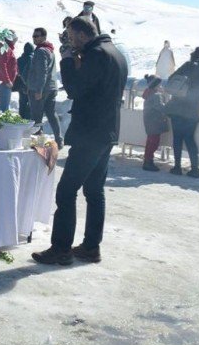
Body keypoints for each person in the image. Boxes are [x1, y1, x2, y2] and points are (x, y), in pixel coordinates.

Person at [33, 16, 128, 265]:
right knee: (94, 191)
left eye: (73, 38)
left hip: (91, 132)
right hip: (106, 132)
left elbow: (75, 89)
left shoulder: (97, 54)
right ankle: (90, 247)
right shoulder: (114, 52)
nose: (71, 43)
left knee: (66, 191)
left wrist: (65, 61)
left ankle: (61, 249)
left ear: (83, 35)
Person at [164, 47, 199, 178]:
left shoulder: (187, 65)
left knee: (177, 137)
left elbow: (172, 79)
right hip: (193, 109)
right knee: (190, 139)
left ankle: (177, 167)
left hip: (177, 107)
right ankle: (195, 169)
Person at [25, 27, 62, 146]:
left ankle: (37, 141)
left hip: (40, 89)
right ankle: (59, 139)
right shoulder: (50, 50)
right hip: (51, 87)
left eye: (37, 36)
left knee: (36, 116)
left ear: (44, 37)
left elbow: (42, 71)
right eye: (33, 36)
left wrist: (38, 89)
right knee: (51, 114)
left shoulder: (41, 51)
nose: (34, 38)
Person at [140, 75, 168, 171]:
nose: (161, 86)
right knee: (154, 142)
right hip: (155, 121)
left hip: (148, 120)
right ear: (156, 85)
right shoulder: (156, 95)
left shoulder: (148, 93)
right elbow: (161, 107)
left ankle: (147, 160)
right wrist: (169, 106)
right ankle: (148, 162)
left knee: (150, 141)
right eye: (160, 84)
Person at [0, 34, 18, 112]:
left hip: (5, 82)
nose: (16, 39)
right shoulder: (6, 48)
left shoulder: (7, 48)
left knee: (4, 108)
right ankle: (1, 124)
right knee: (4, 110)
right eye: (15, 37)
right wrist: (8, 80)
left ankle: (1, 123)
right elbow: (1, 64)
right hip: (4, 83)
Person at [16, 42, 35, 120]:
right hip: (30, 85)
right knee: (30, 104)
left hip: (21, 84)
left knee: (22, 103)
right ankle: (27, 121)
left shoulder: (19, 59)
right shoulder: (33, 59)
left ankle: (21, 119)